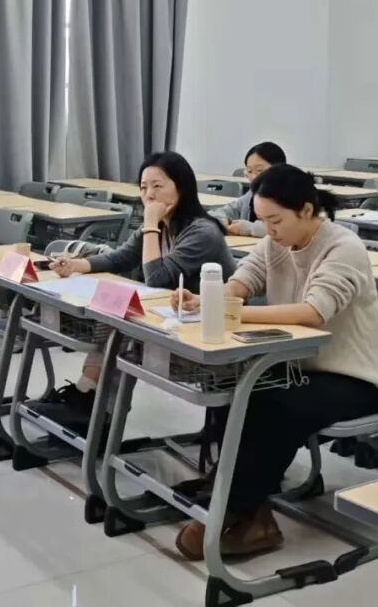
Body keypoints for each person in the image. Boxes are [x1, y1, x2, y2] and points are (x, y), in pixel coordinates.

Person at [171, 164, 378, 560]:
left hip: (355, 375)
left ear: (306, 210)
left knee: (276, 404)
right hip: (302, 365)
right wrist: (206, 299)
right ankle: (249, 508)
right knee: (239, 385)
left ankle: (233, 508)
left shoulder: (343, 247)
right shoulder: (277, 242)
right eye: (262, 221)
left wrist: (233, 313)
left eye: (275, 220)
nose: (268, 230)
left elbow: (313, 312)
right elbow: (243, 281)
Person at [37, 151, 238, 433]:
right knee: (117, 318)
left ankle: (95, 411)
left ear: (181, 187)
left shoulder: (202, 232)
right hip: (176, 321)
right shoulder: (159, 225)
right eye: (143, 188)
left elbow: (155, 278)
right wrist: (75, 265)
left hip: (212, 333)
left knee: (123, 330)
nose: (149, 195)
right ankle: (87, 398)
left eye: (158, 186)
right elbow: (119, 258)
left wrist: (151, 224)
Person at [212, 141, 287, 237]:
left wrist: (249, 228)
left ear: (279, 169)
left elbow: (287, 227)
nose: (253, 177)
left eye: (260, 170)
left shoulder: (289, 196)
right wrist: (222, 221)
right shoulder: (251, 196)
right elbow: (217, 213)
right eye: (250, 171)